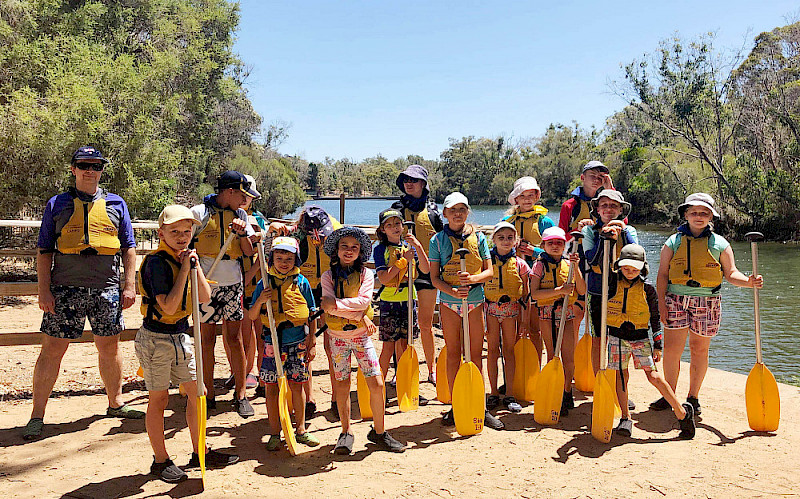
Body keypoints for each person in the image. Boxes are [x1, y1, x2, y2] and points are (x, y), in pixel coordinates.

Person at [25, 146, 144, 441]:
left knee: (110, 347)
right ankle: (37, 415)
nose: (90, 170)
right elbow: (44, 251)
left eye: (96, 165)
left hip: (106, 289)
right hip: (65, 290)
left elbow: (129, 248)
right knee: (52, 350)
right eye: (84, 165)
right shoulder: (58, 204)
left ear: (102, 169)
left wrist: (129, 285)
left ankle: (116, 404)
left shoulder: (117, 204)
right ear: (73, 169)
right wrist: (44, 291)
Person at [136, 205, 239, 482]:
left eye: (187, 231)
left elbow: (204, 296)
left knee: (198, 392)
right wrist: (184, 269)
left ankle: (200, 451)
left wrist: (193, 267)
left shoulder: (187, 258)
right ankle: (160, 460)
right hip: (156, 338)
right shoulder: (156, 264)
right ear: (162, 233)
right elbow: (169, 306)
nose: (182, 237)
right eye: (175, 232)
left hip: (182, 336)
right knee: (159, 398)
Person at [651, 193, 763, 415]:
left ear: (711, 216)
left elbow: (731, 274)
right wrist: (661, 305)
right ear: (686, 215)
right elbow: (662, 275)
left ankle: (693, 397)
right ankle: (669, 395)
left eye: (704, 213)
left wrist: (749, 282)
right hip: (675, 299)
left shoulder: (720, 244)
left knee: (699, 349)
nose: (699, 216)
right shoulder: (672, 242)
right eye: (694, 212)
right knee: (673, 350)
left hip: (708, 300)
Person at [320, 227, 405, 453]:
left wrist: (339, 307)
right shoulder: (327, 276)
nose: (349, 251)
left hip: (361, 338)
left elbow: (363, 301)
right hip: (337, 339)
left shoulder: (367, 275)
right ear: (336, 250)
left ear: (360, 252)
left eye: (354, 248)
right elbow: (327, 306)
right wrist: (359, 316)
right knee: (342, 385)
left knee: (376, 383)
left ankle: (379, 432)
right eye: (344, 247)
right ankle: (345, 432)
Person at [604, 243, 695, 439]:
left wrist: (658, 345)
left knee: (653, 376)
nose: (629, 272)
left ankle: (682, 412)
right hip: (616, 337)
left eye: (634, 269)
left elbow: (655, 319)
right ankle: (625, 418)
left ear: (642, 268)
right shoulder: (610, 284)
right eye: (626, 268)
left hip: (640, 339)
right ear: (619, 265)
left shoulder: (648, 289)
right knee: (621, 376)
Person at [429, 192, 503, 430]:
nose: (458, 214)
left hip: (475, 301)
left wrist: (472, 279)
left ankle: (480, 406)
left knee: (475, 354)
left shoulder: (479, 238)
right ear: (445, 214)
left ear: (467, 212)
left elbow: (489, 272)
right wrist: (452, 292)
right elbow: (434, 278)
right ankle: (455, 403)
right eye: (453, 210)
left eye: (462, 209)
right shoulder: (437, 241)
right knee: (453, 353)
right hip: (450, 303)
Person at [190, 171, 258, 418]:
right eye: (241, 195)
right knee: (206, 339)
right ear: (229, 192)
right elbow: (186, 246)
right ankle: (207, 394)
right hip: (207, 286)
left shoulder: (241, 215)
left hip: (233, 285)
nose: (244, 200)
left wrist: (242, 233)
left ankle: (241, 394)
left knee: (234, 338)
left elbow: (249, 251)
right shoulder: (199, 213)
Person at [247, 237, 320, 450]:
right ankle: (273, 432)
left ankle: (301, 430)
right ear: (271, 259)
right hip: (272, 343)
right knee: (271, 389)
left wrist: (312, 339)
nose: (284, 262)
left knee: (297, 386)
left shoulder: (302, 282)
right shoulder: (264, 283)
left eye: (289, 258)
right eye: (279, 258)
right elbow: (252, 315)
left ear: (295, 259)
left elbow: (312, 314)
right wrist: (260, 300)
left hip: (297, 341)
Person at [270, 206, 341, 419]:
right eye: (313, 233)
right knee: (306, 346)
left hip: (330, 290)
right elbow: (270, 248)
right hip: (304, 290)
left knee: (332, 347)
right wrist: (271, 229)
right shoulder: (295, 236)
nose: (318, 237)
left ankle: (336, 398)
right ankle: (308, 399)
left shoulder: (337, 232)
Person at [392, 165, 444, 384]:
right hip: (401, 274)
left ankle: (431, 369)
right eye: (405, 180)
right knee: (401, 326)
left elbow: (444, 241)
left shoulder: (433, 212)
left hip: (427, 275)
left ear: (423, 184)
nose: (408, 183)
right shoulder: (396, 209)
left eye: (413, 180)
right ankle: (400, 369)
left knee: (425, 323)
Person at [373, 208, 431, 402]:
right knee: (388, 347)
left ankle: (406, 386)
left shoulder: (409, 245)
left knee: (406, 346)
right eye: (389, 225)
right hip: (390, 302)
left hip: (408, 301)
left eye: (397, 224)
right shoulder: (380, 249)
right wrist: (400, 263)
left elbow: (425, 269)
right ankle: (378, 387)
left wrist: (418, 247)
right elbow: (383, 277)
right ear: (382, 230)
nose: (394, 228)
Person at [580, 190, 638, 380]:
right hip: (596, 293)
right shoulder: (588, 231)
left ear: (620, 210)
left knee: (620, 342)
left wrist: (622, 234)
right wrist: (604, 238)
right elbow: (591, 259)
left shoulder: (630, 231)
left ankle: (620, 388)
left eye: (613, 206)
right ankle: (600, 383)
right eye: (604, 205)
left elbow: (634, 257)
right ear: (597, 209)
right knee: (598, 341)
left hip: (622, 294)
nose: (608, 209)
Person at [529, 227, 586, 416]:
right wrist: (559, 291)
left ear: (565, 245)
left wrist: (576, 268)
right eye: (551, 243)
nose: (555, 246)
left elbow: (582, 290)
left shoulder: (569, 264)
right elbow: (535, 295)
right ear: (543, 245)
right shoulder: (539, 266)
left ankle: (567, 391)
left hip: (567, 314)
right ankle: (554, 390)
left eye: (559, 243)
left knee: (569, 357)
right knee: (553, 354)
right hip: (547, 313)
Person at [503, 176, 554, 362]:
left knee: (534, 327)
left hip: (536, 279)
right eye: (522, 195)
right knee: (514, 328)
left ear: (536, 197)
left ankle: (535, 368)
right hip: (512, 279)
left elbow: (556, 251)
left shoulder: (545, 222)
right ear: (516, 199)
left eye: (530, 195)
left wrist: (535, 251)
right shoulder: (507, 221)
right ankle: (516, 370)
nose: (526, 199)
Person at [483, 221, 530, 413]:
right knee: (492, 351)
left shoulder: (520, 264)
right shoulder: (485, 263)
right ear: (493, 239)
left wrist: (525, 321)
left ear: (516, 240)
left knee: (509, 351)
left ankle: (509, 393)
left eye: (510, 238)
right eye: (501, 238)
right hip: (491, 311)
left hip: (512, 312)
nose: (505, 241)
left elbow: (526, 296)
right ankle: (493, 392)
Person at [224, 176, 263, 393]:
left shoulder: (257, 219)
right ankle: (240, 371)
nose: (245, 200)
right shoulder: (226, 219)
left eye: (248, 197)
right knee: (239, 333)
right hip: (239, 282)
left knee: (260, 332)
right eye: (243, 195)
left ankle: (258, 372)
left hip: (257, 285)